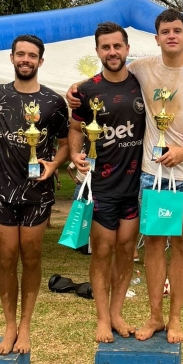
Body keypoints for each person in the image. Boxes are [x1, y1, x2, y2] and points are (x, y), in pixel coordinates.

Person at [68, 9, 183, 344]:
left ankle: (176, 319)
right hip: (153, 174)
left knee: (182, 246)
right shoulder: (142, 68)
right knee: (153, 244)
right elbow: (101, 80)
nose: (171, 35)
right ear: (156, 38)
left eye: (177, 30)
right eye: (165, 30)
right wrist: (74, 89)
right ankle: (154, 316)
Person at [0, 35, 69, 355]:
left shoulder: (53, 102)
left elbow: (65, 144)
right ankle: (9, 327)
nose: (25, 59)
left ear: (40, 62)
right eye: (20, 54)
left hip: (37, 193)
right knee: (6, 259)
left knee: (31, 259)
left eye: (32, 55)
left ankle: (25, 327)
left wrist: (54, 164)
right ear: (11, 58)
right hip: (0, 192)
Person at [69, 22, 145, 343]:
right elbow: (75, 129)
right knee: (102, 251)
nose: (112, 52)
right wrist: (74, 154)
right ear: (98, 51)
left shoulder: (143, 83)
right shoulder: (85, 91)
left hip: (135, 187)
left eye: (117, 46)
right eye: (105, 47)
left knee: (127, 250)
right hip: (101, 186)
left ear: (127, 49)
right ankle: (102, 318)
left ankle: (116, 313)